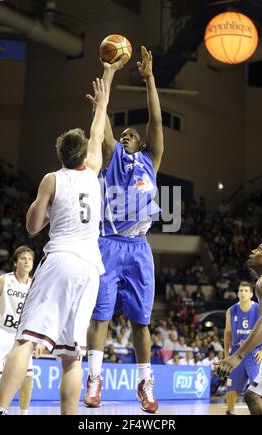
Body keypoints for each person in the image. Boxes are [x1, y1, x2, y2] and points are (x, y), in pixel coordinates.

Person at [0, 76, 111, 416]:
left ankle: (0, 409)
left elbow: (31, 227)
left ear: (59, 155)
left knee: (26, 340)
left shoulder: (52, 179)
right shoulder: (93, 172)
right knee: (71, 356)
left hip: (61, 259)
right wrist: (101, 104)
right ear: (85, 154)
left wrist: (46, 206)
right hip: (91, 269)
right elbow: (99, 134)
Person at [84, 46, 164, 413]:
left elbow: (156, 121)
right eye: (125, 132)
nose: (128, 134)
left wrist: (149, 79)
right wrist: (111, 71)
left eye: (134, 133)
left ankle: (145, 384)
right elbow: (103, 125)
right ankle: (94, 379)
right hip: (108, 244)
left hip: (139, 248)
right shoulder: (114, 156)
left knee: (141, 323)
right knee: (101, 316)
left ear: (143, 143)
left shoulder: (151, 161)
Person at [217, 241, 262, 415]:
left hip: (251, 355)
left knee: (253, 396)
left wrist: (237, 357)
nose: (252, 251)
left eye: (259, 249)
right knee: (253, 395)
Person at [0, 246, 38, 415]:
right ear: (15, 262)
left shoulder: (34, 285)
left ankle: (24, 413)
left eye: (30, 259)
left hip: (20, 336)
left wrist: (37, 341)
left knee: (27, 377)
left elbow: (36, 314)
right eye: (23, 258)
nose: (26, 261)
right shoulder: (4, 280)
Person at [224, 281, 262, 415]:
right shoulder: (231, 311)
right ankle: (230, 412)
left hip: (253, 353)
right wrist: (225, 354)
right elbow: (227, 333)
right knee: (231, 387)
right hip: (235, 353)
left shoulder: (260, 309)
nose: (243, 293)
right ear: (237, 294)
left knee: (255, 390)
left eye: (246, 291)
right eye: (240, 291)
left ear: (251, 294)